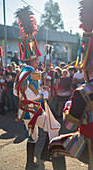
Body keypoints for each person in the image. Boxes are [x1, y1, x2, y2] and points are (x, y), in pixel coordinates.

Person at [13, 6, 61, 170]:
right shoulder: (32, 73)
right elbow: (35, 95)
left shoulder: (21, 72)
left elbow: (15, 91)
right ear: (32, 60)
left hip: (24, 111)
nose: (38, 62)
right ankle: (51, 158)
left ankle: (29, 163)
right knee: (55, 128)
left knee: (33, 137)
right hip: (34, 109)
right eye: (37, 60)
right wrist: (45, 93)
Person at [48, 0, 93, 169]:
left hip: (90, 145)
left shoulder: (83, 92)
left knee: (54, 146)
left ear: (88, 69)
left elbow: (69, 124)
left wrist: (68, 106)